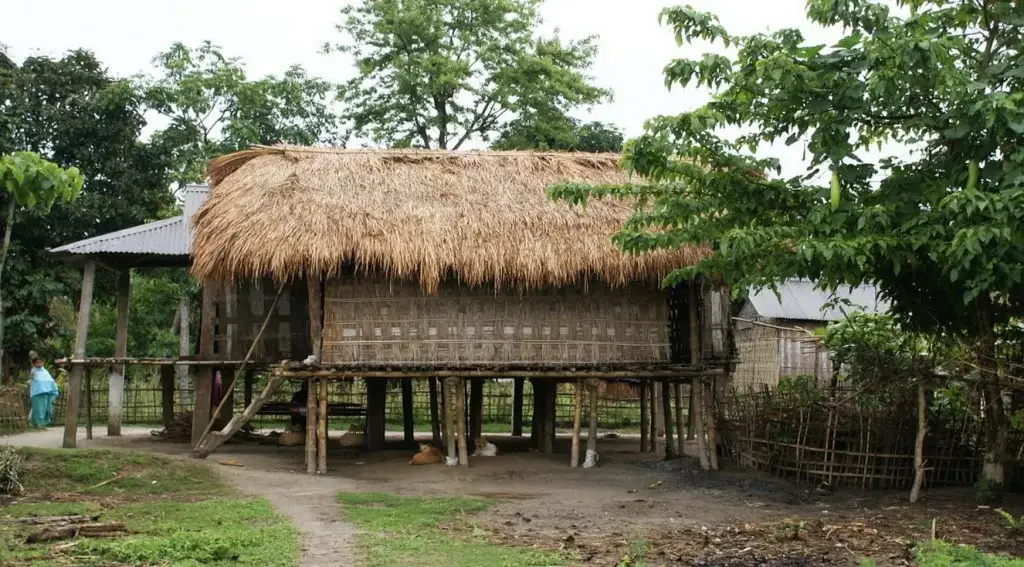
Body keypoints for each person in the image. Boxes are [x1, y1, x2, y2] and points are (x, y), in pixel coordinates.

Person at [29, 358, 59, 428]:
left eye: (40, 362)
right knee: (38, 409)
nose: (39, 364)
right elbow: (35, 379)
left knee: (46, 408)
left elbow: (50, 380)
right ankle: (38, 424)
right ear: (34, 364)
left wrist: (53, 388)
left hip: (46, 393)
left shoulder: (45, 371)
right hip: (37, 394)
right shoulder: (33, 371)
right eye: (37, 363)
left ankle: (43, 424)